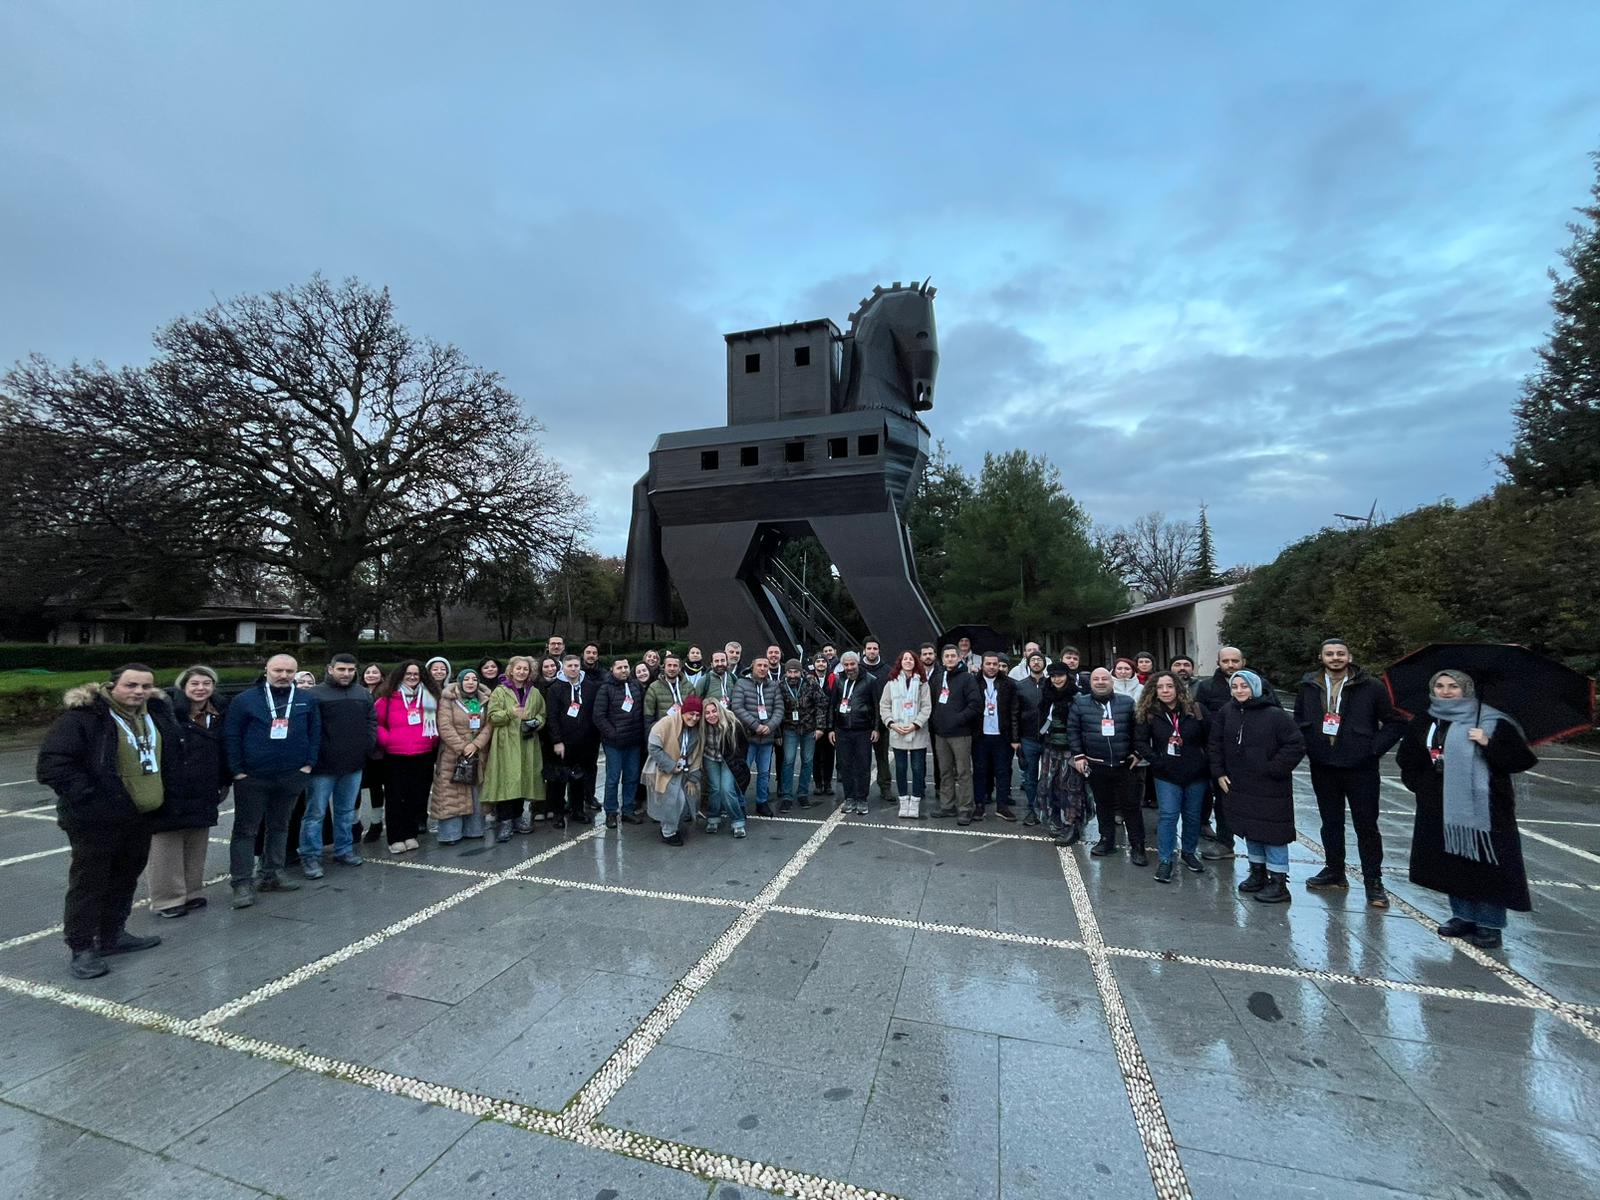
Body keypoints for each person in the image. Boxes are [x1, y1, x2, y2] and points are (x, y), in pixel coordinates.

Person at [37, 664, 179, 978]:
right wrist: (90, 797)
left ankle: (112, 934)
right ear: (112, 685)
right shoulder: (84, 718)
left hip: (140, 817)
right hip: (96, 820)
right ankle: (82, 947)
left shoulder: (152, 715)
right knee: (89, 883)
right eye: (131, 685)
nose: (138, 692)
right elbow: (53, 765)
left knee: (125, 878)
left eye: (145, 686)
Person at [1396, 670, 1535, 949]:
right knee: (1453, 862)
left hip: (1487, 809)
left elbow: (1520, 760)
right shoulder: (1428, 718)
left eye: (1454, 686)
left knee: (1488, 865)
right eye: (1440, 685)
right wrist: (1422, 786)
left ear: (1467, 690)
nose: (1446, 691)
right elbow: (1408, 757)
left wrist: (1488, 743)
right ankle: (1463, 916)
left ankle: (1490, 924)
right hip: (1439, 804)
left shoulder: (1492, 720)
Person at [1294, 638, 1406, 908]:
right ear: (1321, 658)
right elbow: (1299, 720)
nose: (1335, 658)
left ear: (1350, 656)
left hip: (1361, 768)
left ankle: (1373, 882)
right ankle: (1334, 870)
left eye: (1340, 653)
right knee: (1330, 822)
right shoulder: (1309, 686)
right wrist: (1310, 747)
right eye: (1329, 654)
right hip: (1324, 766)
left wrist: (1372, 749)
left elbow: (1395, 722)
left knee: (1366, 826)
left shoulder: (1371, 687)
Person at [222, 654, 320, 906]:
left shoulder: (305, 699)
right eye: (278, 670)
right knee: (246, 830)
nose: (283, 675)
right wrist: (237, 770)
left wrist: (308, 764)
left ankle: (272, 872)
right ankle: (242, 883)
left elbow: (314, 732)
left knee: (280, 825)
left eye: (289, 671)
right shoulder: (246, 700)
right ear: (266, 670)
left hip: (291, 775)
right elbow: (232, 735)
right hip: (253, 777)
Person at [1209, 670, 1306, 904]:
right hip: (1239, 783)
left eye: (1245, 686)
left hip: (1270, 786)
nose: (1240, 690)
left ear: (1256, 687)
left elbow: (1295, 744)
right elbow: (1215, 743)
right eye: (1235, 686)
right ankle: (1257, 872)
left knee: (1272, 833)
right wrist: (1219, 772)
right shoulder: (1227, 712)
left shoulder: (1275, 715)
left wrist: (1274, 768)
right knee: (1250, 829)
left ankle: (1279, 881)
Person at [148, 666, 231, 918]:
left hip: (205, 785)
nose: (200, 688)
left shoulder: (219, 713)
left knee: (197, 841)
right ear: (183, 686)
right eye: (194, 683)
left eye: (206, 683)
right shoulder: (164, 713)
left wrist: (224, 780)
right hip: (171, 785)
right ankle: (167, 899)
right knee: (166, 845)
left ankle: (191, 891)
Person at [298, 653, 376, 878]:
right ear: (330, 669)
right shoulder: (314, 694)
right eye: (341, 669)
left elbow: (371, 720)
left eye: (351, 670)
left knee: (346, 811)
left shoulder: (362, 694)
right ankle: (310, 856)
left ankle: (344, 849)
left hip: (353, 764)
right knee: (315, 813)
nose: (346, 674)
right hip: (322, 767)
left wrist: (367, 746)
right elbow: (308, 729)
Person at [1135, 671, 1211, 883]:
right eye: (1161, 687)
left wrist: (1206, 764)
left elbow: (1210, 738)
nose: (1166, 691)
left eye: (1170, 686)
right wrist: (1157, 761)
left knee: (1193, 816)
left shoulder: (1196, 710)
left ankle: (1188, 852)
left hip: (1196, 773)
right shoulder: (1149, 713)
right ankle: (1165, 859)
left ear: (1178, 688)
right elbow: (1140, 742)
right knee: (1168, 815)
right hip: (1166, 774)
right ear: (1154, 690)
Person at [1067, 667, 1144, 864]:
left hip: (1125, 765)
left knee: (1131, 806)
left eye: (1104, 679)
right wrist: (1078, 756)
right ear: (1091, 683)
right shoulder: (1080, 703)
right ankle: (1106, 841)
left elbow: (1138, 730)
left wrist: (1138, 752)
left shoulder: (1127, 702)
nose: (1100, 682)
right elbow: (1074, 730)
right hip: (1096, 764)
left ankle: (1138, 846)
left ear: (1112, 682)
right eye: (1096, 679)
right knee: (1104, 805)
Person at [373, 660, 440, 854]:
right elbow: (376, 724)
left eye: (416, 674)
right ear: (400, 676)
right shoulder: (386, 698)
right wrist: (387, 740)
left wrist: (431, 739)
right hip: (395, 755)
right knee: (395, 797)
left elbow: (437, 721)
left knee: (416, 797)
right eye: (408, 674)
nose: (412, 677)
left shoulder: (429, 698)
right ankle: (395, 837)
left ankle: (410, 833)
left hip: (423, 754)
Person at [482, 655, 547, 841]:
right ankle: (505, 821)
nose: (522, 672)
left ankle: (518, 818)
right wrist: (510, 713)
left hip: (527, 742)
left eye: (525, 669)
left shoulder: (534, 692)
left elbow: (543, 714)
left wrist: (536, 722)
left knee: (523, 780)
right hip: (506, 743)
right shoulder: (500, 691)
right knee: (506, 781)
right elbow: (492, 717)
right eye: (518, 668)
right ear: (511, 670)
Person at [430, 668, 492, 844]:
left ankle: (475, 830)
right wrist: (462, 746)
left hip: (478, 751)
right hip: (452, 753)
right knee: (451, 794)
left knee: (475, 792)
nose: (471, 682)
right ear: (460, 681)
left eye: (474, 679)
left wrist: (476, 744)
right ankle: (451, 834)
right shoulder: (448, 699)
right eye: (467, 679)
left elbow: (489, 725)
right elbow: (444, 725)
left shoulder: (485, 700)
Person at [544, 655, 597, 829]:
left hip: (584, 741)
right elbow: (552, 717)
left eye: (576, 665)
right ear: (563, 668)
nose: (573, 668)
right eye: (570, 665)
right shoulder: (555, 689)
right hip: (563, 742)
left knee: (579, 778)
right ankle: (558, 813)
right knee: (559, 780)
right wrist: (557, 741)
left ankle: (577, 810)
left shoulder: (589, 686)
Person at [928, 645, 980, 821]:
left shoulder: (967, 679)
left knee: (963, 772)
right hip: (941, 734)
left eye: (953, 656)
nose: (950, 659)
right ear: (942, 660)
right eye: (946, 656)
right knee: (945, 771)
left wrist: (958, 719)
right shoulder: (937, 678)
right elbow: (932, 703)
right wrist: (936, 721)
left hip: (960, 733)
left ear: (959, 658)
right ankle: (947, 805)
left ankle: (966, 808)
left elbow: (975, 704)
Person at [878, 650, 932, 819]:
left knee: (917, 769)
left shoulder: (923, 684)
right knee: (900, 769)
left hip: (917, 732)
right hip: (898, 732)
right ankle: (904, 801)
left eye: (911, 659)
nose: (908, 661)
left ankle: (915, 801)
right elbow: (884, 706)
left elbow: (926, 707)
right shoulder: (891, 683)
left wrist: (916, 724)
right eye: (905, 659)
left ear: (916, 662)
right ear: (900, 662)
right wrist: (891, 724)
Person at [644, 694, 705, 845]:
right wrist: (670, 765)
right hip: (664, 769)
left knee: (685, 800)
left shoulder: (697, 730)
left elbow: (696, 753)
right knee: (673, 800)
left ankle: (671, 825)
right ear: (684, 712)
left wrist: (693, 776)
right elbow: (653, 746)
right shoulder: (666, 723)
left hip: (684, 769)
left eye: (698, 715)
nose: (694, 718)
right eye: (691, 714)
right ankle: (668, 832)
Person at [593, 657, 646, 830]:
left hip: (634, 741)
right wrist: (613, 734)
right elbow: (599, 716)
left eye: (626, 667)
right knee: (613, 778)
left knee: (631, 777)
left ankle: (628, 809)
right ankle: (611, 812)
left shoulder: (636, 686)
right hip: (614, 743)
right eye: (620, 667)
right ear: (612, 669)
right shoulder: (605, 689)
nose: (624, 670)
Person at [1039, 662, 1089, 844]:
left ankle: (1072, 825)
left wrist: (1080, 751)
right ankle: (1055, 820)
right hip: (1050, 748)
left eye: (1060, 675)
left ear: (1067, 676)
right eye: (1053, 676)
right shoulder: (1046, 695)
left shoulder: (1078, 696)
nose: (1056, 679)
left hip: (1071, 749)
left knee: (1072, 789)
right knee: (1050, 785)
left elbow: (1082, 725)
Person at [825, 652, 878, 815]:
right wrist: (831, 728)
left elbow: (876, 706)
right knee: (845, 765)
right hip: (842, 730)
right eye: (846, 665)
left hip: (863, 729)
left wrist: (876, 728)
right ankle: (849, 797)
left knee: (863, 765)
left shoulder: (870, 680)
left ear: (858, 663)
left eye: (852, 664)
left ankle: (862, 799)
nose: (849, 668)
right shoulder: (839, 680)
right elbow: (832, 705)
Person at [971, 653, 1022, 822]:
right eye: (988, 663)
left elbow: (1014, 712)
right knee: (979, 771)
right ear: (982, 665)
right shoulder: (973, 682)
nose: (992, 667)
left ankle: (1002, 806)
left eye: (995, 664)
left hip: (1002, 735)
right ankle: (979, 805)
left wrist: (1015, 738)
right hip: (980, 735)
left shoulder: (1009, 684)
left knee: (1002, 771)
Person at [733, 656, 781, 817]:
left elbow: (779, 709)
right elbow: (738, 708)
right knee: (743, 772)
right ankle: (740, 803)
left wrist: (770, 726)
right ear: (752, 667)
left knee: (764, 773)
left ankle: (762, 801)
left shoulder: (773, 686)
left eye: (765, 666)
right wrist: (756, 725)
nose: (762, 668)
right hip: (747, 738)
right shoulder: (741, 684)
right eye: (759, 665)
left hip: (767, 738)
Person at [776, 658, 821, 811]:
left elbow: (822, 703)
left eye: (796, 671)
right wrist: (778, 732)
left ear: (801, 672)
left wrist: (820, 727)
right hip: (789, 728)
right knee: (788, 761)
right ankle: (787, 795)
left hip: (809, 728)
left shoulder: (811, 683)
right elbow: (776, 709)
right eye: (790, 671)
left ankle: (803, 793)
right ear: (786, 672)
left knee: (807, 761)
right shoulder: (780, 686)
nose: (793, 675)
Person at [700, 698, 746, 837]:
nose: (711, 715)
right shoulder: (701, 726)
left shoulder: (732, 723)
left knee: (727, 789)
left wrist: (738, 762)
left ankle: (738, 821)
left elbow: (743, 745)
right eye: (707, 713)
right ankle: (713, 818)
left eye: (714, 711)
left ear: (719, 710)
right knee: (715, 788)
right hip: (710, 757)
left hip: (728, 759)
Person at [1014, 652, 1048, 825]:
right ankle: (1032, 808)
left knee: (1050, 776)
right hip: (1027, 738)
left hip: (1049, 739)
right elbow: (1014, 714)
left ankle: (1049, 809)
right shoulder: (1020, 686)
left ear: (1044, 663)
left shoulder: (1051, 685)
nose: (1036, 663)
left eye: (1039, 660)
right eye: (1033, 660)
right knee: (1030, 776)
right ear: (1028, 664)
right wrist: (1015, 738)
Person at [859, 638, 893, 806]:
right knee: (861, 758)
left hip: (882, 720)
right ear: (864, 650)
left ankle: (885, 787)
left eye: (875, 648)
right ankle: (859, 789)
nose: (872, 651)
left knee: (882, 757)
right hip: (862, 721)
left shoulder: (887, 670)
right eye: (869, 648)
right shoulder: (857, 669)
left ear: (879, 650)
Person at [357, 662, 387, 843]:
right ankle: (355, 824)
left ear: (382, 676)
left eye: (375, 672)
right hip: (357, 749)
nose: (371, 675)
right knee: (355, 788)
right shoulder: (357, 692)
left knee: (376, 787)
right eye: (368, 672)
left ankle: (376, 823)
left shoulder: (386, 694)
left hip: (378, 750)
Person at [809, 654, 837, 797]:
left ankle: (828, 783)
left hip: (830, 723)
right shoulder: (808, 679)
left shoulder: (834, 679)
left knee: (829, 755)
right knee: (815, 755)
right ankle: (818, 783)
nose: (820, 664)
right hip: (813, 724)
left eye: (823, 661)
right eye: (818, 661)